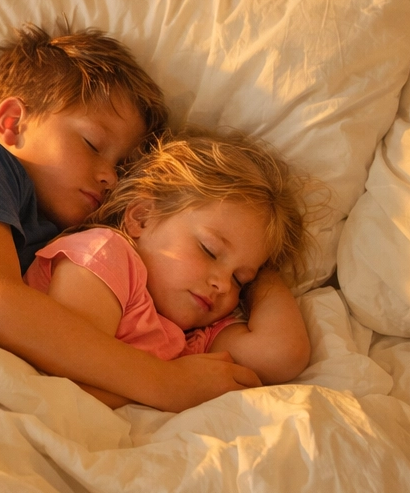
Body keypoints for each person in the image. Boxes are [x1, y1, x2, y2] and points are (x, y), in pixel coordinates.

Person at [0, 24, 263, 411]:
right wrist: (165, 382)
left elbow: (58, 370)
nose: (111, 176)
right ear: (12, 123)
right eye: (92, 144)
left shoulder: (66, 239)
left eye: (122, 166)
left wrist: (254, 265)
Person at [25, 131, 312, 408]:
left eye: (239, 280)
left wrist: (264, 273)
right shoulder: (104, 256)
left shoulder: (190, 333)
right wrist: (178, 383)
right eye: (209, 250)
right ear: (142, 217)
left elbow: (281, 355)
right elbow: (68, 377)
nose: (224, 285)